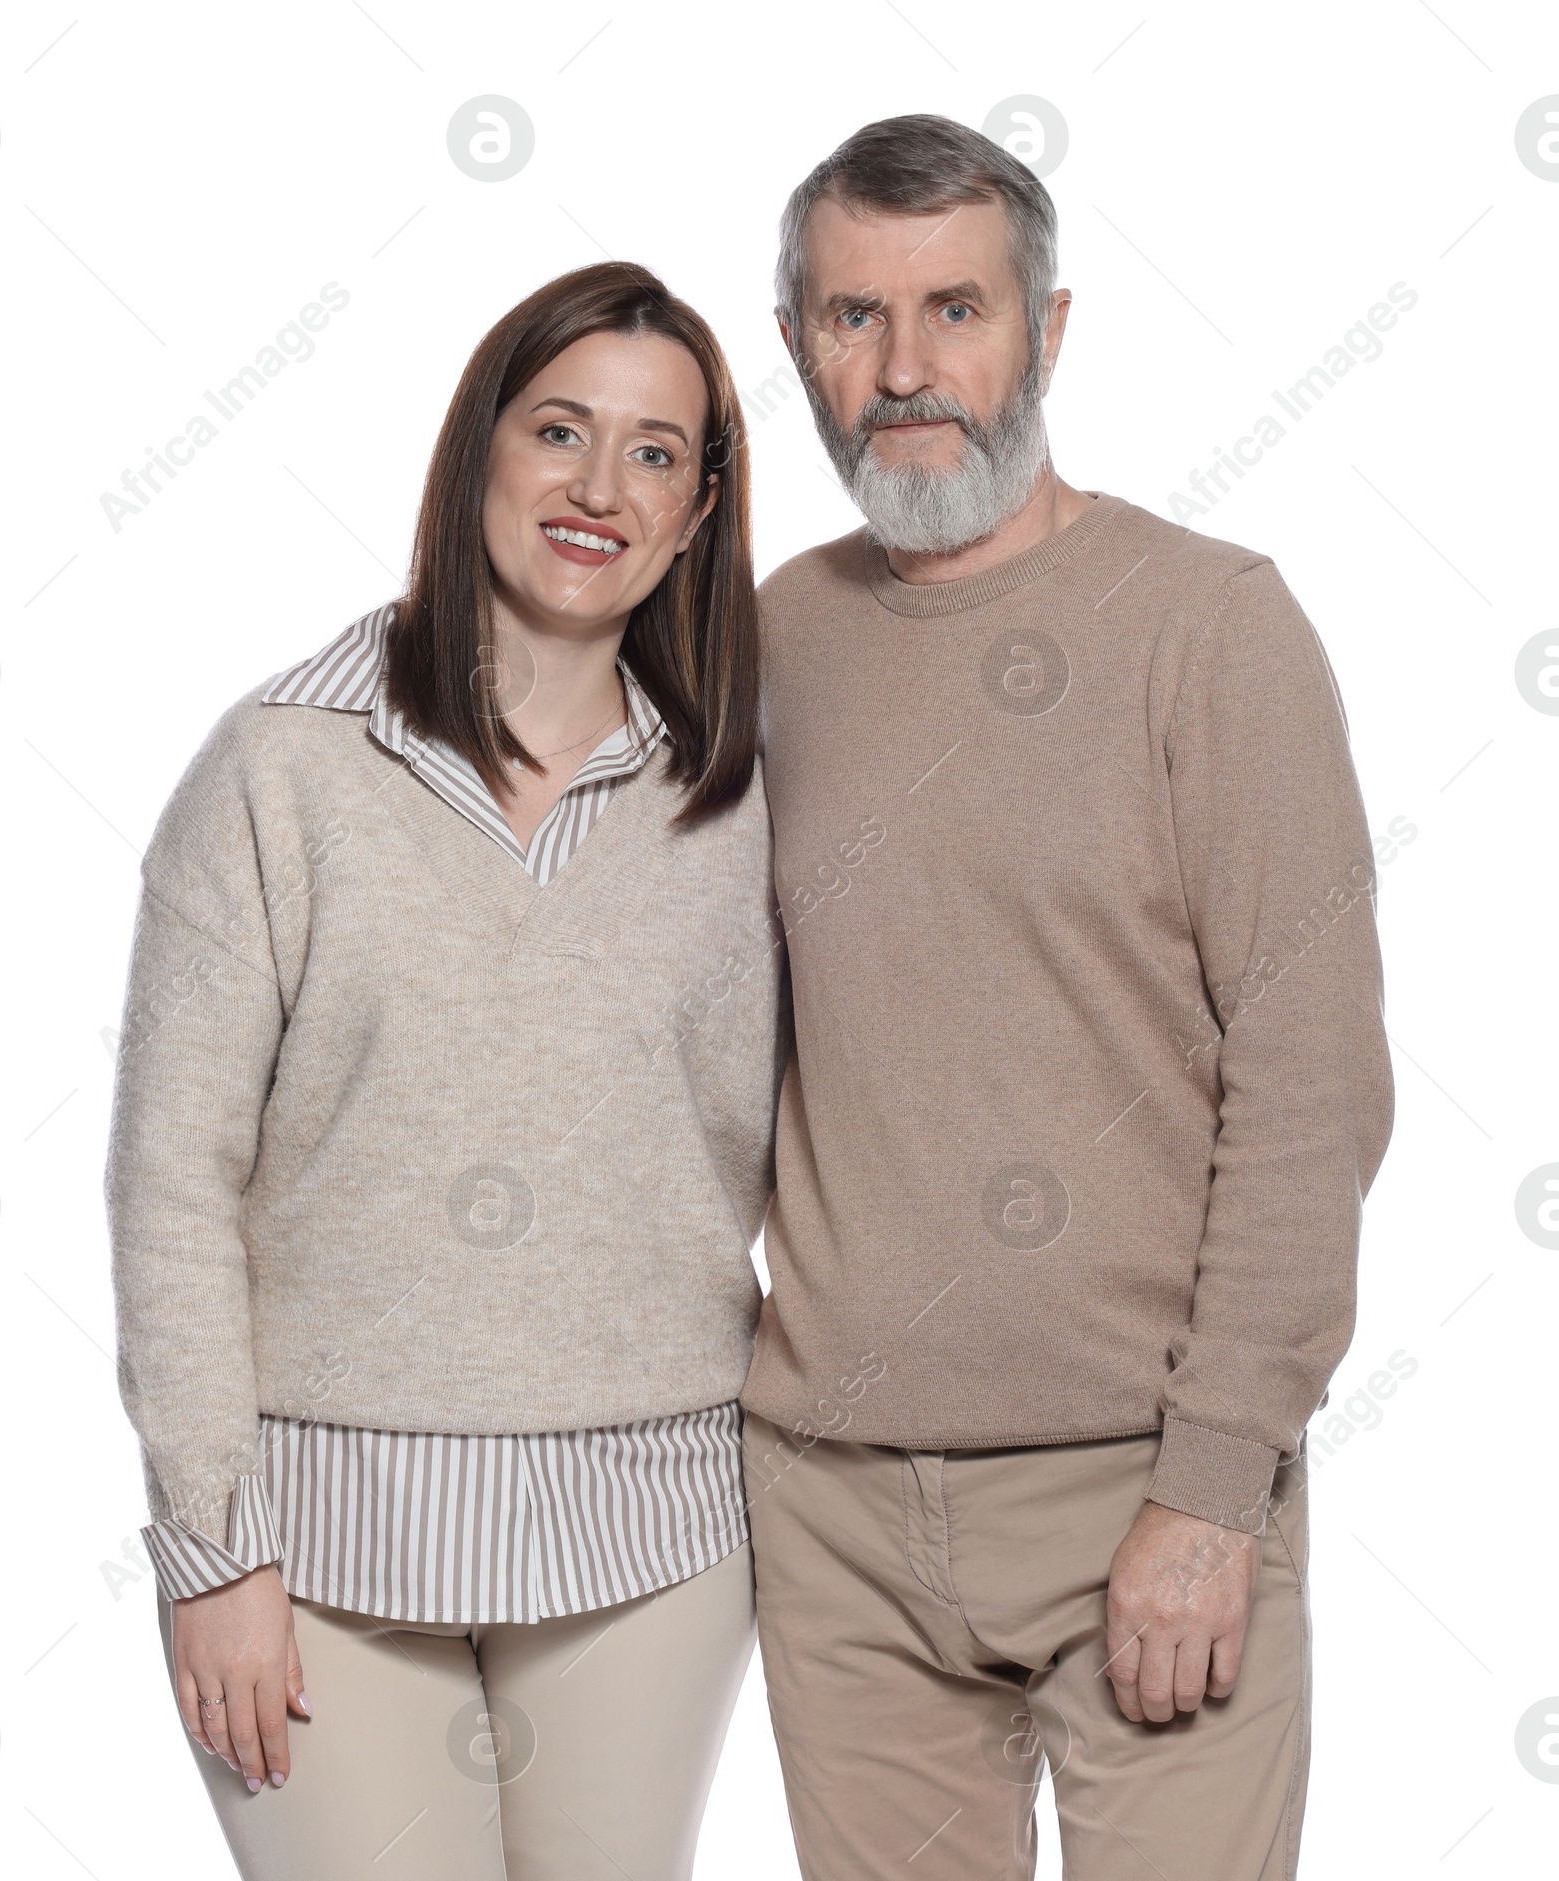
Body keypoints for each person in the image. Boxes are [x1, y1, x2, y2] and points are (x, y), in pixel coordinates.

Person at [740, 115, 1394, 1880]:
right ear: (796, 342)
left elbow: (1313, 1085)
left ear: (1050, 329)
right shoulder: (767, 640)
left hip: (1147, 1477)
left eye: (957, 308)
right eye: (852, 318)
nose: (904, 370)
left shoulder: (1212, 627)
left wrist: (1210, 1488)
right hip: (838, 1508)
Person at [106, 260, 784, 1881]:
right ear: (476, 448)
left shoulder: (734, 799)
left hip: (656, 1527)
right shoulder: (283, 764)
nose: (596, 488)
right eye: (558, 430)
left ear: (697, 513)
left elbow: (793, 1146)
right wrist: (213, 1550)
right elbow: (168, 1179)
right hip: (321, 1542)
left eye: (652, 453)